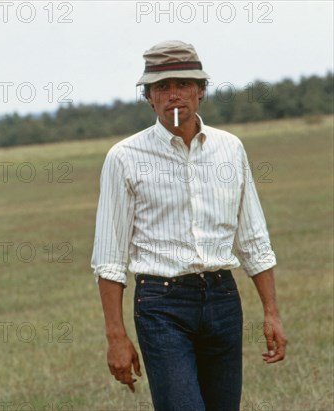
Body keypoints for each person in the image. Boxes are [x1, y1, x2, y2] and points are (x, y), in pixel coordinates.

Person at [91, 40, 287, 411]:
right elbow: (109, 257)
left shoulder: (230, 149)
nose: (173, 95)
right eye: (162, 87)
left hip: (222, 300)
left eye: (183, 84)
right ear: (148, 97)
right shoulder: (124, 158)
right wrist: (116, 335)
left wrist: (272, 313)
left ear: (201, 91)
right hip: (160, 304)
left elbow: (253, 240)